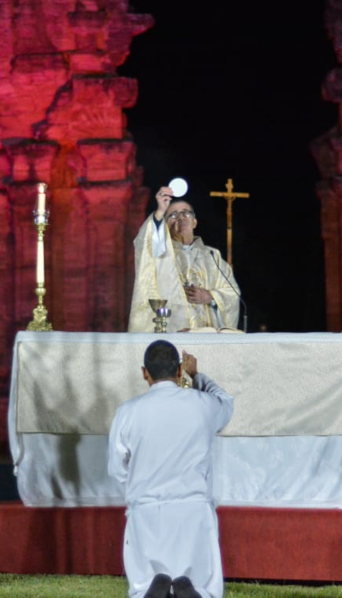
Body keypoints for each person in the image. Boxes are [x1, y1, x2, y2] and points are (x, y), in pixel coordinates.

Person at [108, 340, 234, 598]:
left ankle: (153, 591)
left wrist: (137, 488)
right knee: (204, 585)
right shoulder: (202, 404)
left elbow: (117, 469)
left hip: (147, 512)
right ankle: (193, 591)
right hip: (193, 511)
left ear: (145, 373)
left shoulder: (127, 412)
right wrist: (197, 375)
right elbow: (226, 403)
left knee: (142, 587)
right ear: (179, 371)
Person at [128, 186, 241, 332]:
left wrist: (210, 296)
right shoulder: (160, 254)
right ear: (166, 225)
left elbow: (232, 293)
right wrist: (160, 211)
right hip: (171, 331)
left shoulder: (213, 256)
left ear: (194, 222)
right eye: (173, 215)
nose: (180, 218)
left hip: (208, 334)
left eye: (185, 213)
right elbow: (145, 244)